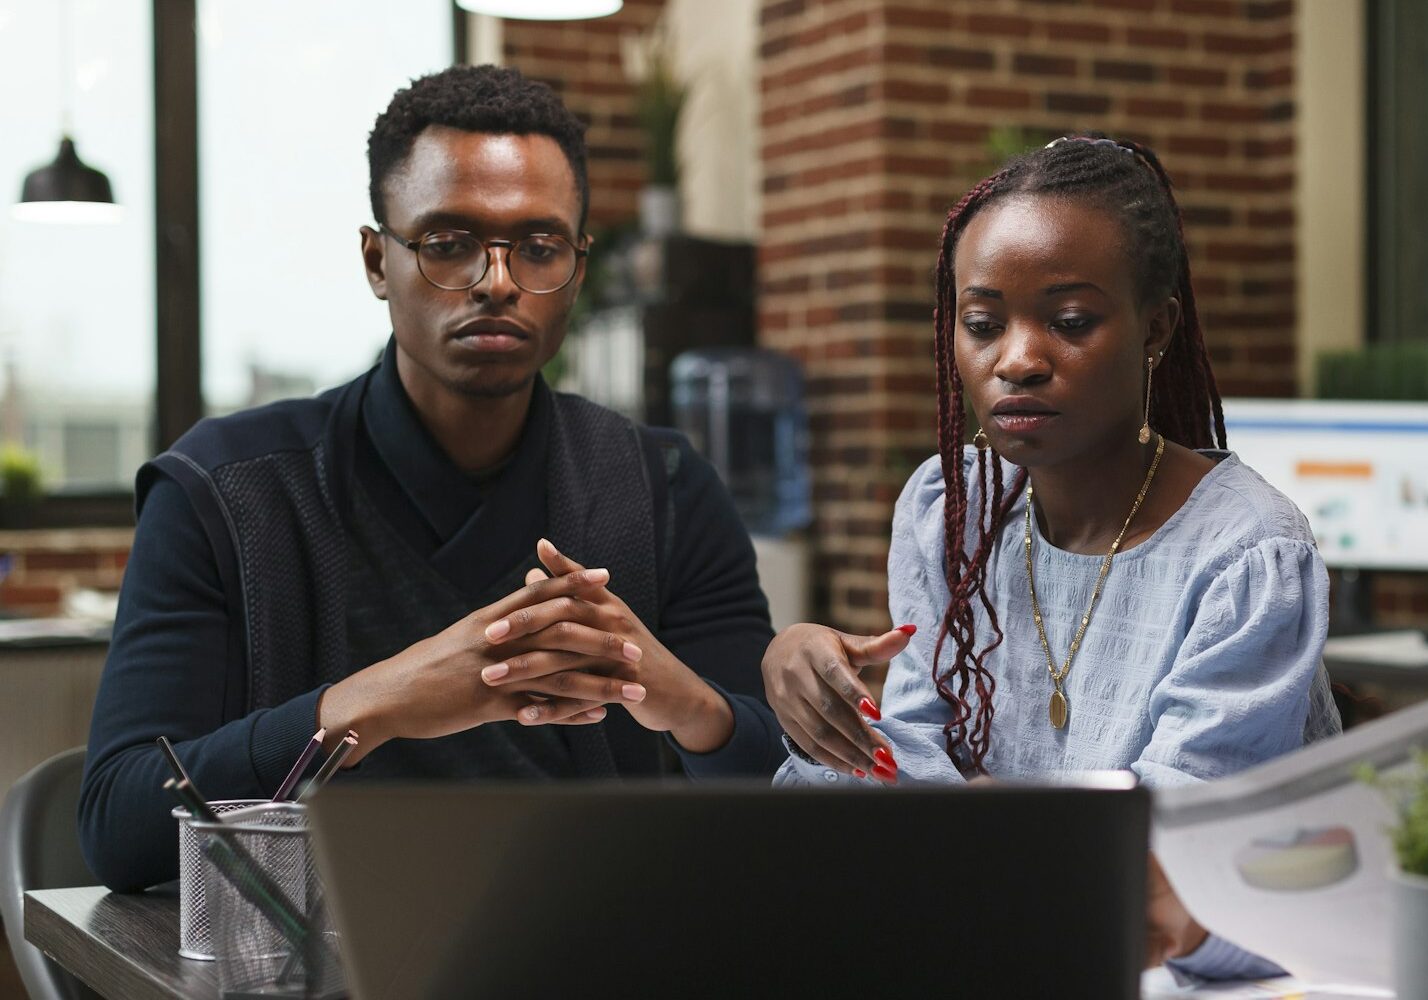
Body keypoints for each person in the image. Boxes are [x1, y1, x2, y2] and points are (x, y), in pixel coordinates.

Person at [80, 66, 785, 893]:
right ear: (379, 261)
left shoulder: (662, 488)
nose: (497, 281)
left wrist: (675, 697)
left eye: (538, 247)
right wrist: (367, 705)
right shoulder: (227, 493)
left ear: (578, 267)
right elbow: (120, 822)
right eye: (448, 244)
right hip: (308, 954)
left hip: (594, 945)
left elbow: (777, 799)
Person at [761, 136, 1340, 980]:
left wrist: (990, 822)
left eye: (1070, 323)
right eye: (984, 324)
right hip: (991, 927)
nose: (1018, 360)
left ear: (1157, 330)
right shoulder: (949, 508)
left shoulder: (1249, 552)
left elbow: (1181, 845)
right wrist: (823, 705)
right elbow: (918, 761)